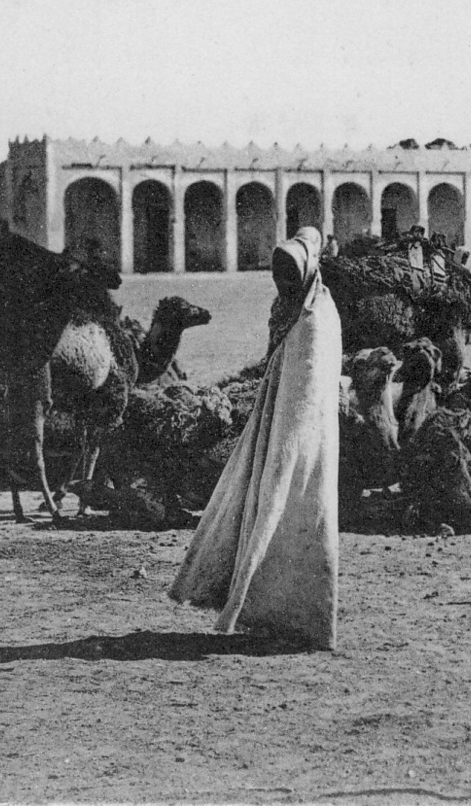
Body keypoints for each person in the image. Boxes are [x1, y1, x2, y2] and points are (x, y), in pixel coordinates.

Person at [168, 226, 342, 650]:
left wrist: (288, 440)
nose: (283, 281)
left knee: (294, 511)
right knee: (258, 507)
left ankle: (300, 620)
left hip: (302, 442)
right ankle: (253, 607)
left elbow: (310, 386)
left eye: (291, 272)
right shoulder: (286, 308)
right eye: (279, 272)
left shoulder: (319, 316)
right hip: (272, 427)